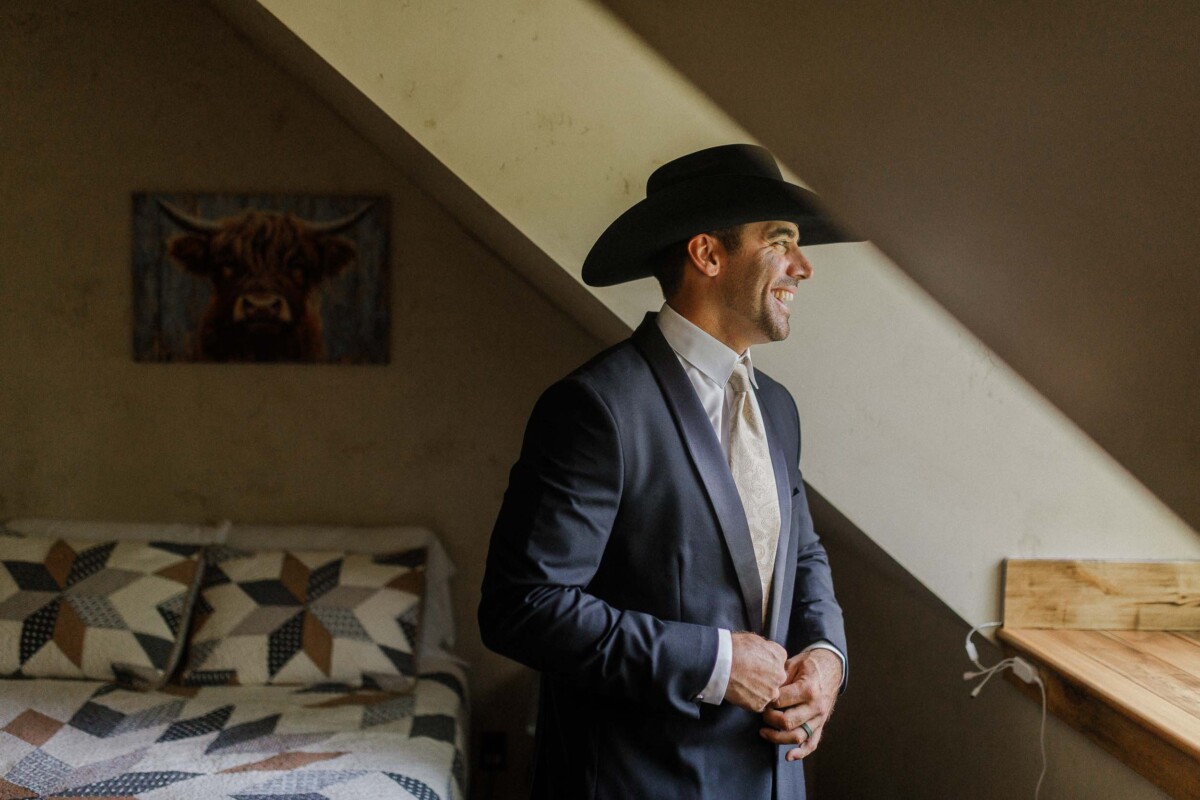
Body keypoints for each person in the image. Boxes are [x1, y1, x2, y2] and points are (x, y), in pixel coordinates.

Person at [479, 144, 854, 799]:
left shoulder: (780, 409)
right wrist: (713, 662)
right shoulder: (597, 407)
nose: (804, 267)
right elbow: (523, 606)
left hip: (773, 781)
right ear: (707, 255)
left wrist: (826, 658)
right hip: (640, 781)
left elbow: (803, 554)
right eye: (780, 241)